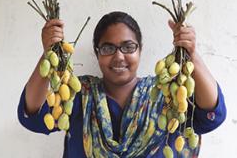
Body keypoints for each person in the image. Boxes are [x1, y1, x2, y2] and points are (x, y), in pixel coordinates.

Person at [18, 11, 226, 158]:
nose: (119, 57)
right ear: (97, 53)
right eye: (108, 48)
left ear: (140, 50)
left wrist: (191, 54)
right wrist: (49, 54)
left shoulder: (166, 96)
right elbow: (33, 116)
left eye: (128, 47)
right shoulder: (79, 95)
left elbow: (210, 116)